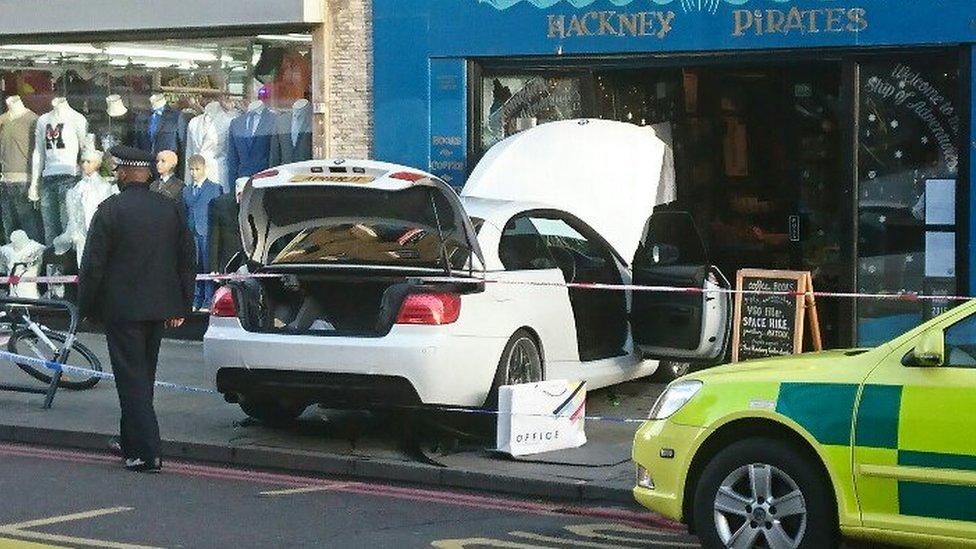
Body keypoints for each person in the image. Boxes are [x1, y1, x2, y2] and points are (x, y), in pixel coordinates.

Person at [78, 145, 196, 473]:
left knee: (131, 381)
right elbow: (187, 259)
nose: (115, 175)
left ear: (130, 172)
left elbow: (93, 266)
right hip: (159, 308)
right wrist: (182, 304)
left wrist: (84, 306)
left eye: (118, 170)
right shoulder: (169, 209)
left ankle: (146, 451)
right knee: (143, 377)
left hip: (122, 310)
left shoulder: (110, 210)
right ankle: (131, 440)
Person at [182, 154, 223, 310]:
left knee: (207, 267)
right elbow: (185, 211)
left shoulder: (214, 188)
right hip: (192, 233)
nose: (194, 173)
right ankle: (196, 298)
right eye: (191, 169)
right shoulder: (186, 191)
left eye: (197, 169)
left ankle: (208, 299)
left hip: (207, 231)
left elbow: (219, 212)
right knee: (195, 267)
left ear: (204, 168)